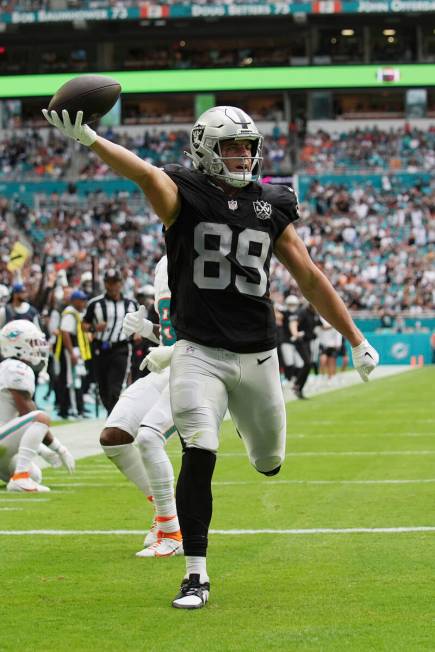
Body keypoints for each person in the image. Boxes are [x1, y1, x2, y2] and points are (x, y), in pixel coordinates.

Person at [43, 105, 379, 609]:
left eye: (248, 146)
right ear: (205, 148)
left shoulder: (271, 202)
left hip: (258, 355)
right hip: (197, 352)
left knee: (269, 462)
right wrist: (91, 139)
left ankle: (245, 421)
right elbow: (141, 171)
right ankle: (195, 575)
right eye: (231, 146)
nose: (242, 155)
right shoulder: (184, 192)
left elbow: (308, 276)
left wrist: (355, 337)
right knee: (199, 451)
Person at [100, 256, 182, 558]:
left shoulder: (205, 253)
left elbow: (213, 333)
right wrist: (149, 328)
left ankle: (172, 531)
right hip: (166, 369)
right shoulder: (165, 262)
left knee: (148, 438)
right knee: (113, 437)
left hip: (196, 371)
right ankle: (164, 511)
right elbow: (176, 330)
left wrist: (175, 353)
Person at [0, 320, 75, 492]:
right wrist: (58, 448)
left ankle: (22, 476)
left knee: (35, 475)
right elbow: (29, 414)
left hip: (3, 437)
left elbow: (19, 421)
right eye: (33, 343)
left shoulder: (6, 368)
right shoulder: (16, 368)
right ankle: (20, 478)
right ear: (18, 346)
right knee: (41, 417)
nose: (39, 348)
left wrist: (42, 450)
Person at [82, 269, 138, 414]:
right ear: (105, 284)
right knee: (103, 388)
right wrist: (95, 327)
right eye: (109, 283)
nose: (112, 286)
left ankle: (113, 419)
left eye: (115, 283)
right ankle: (112, 415)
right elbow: (84, 325)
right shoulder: (95, 304)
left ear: (121, 283)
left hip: (120, 348)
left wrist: (137, 333)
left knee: (115, 387)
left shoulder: (131, 304)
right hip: (100, 348)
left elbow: (139, 322)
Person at [54, 289, 91, 419]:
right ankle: (73, 409)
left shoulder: (76, 313)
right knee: (72, 380)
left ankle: (74, 408)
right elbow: (65, 333)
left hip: (76, 350)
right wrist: (71, 353)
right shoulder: (69, 314)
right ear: (74, 301)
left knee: (76, 379)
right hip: (71, 351)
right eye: (81, 300)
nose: (84, 303)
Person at [289, 302, 321, 399]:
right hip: (300, 340)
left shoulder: (315, 314)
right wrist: (295, 333)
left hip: (308, 341)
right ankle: (296, 385)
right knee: (307, 363)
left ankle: (299, 388)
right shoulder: (302, 311)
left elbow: (323, 326)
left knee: (308, 364)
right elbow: (293, 323)